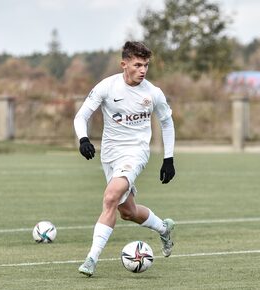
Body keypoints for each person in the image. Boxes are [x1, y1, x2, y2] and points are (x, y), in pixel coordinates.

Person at [73, 41, 176, 277]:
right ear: (124, 64)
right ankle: (163, 228)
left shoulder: (153, 93)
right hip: (109, 155)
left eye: (146, 65)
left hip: (136, 152)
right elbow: (81, 116)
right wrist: (83, 139)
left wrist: (168, 158)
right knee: (127, 211)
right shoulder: (107, 87)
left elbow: (167, 122)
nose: (143, 70)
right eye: (138, 64)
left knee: (110, 197)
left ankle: (91, 259)